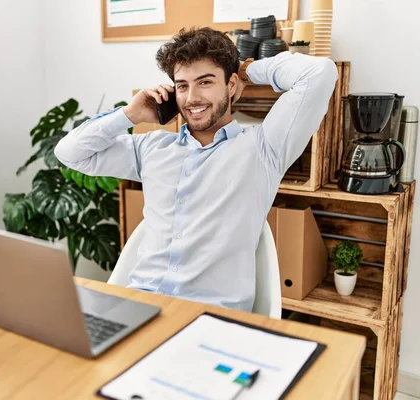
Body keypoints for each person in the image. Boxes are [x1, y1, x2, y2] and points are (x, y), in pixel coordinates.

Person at [54, 27, 338, 311]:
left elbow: (320, 74)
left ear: (230, 85)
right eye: (182, 85)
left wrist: (246, 68)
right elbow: (70, 153)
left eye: (205, 82)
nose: (191, 98)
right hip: (140, 304)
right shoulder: (153, 148)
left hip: (210, 318)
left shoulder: (265, 148)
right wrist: (129, 115)